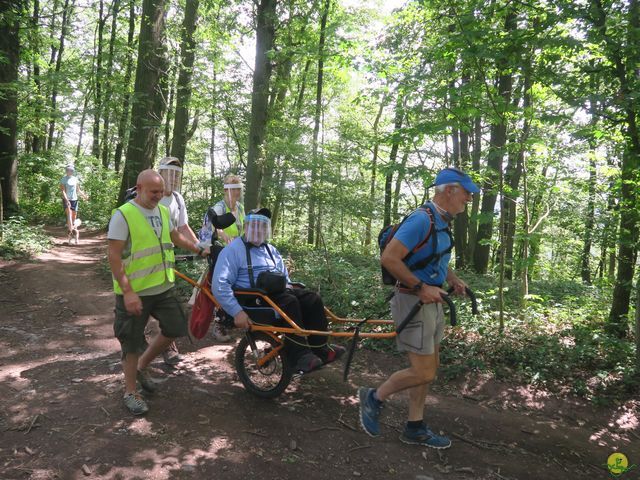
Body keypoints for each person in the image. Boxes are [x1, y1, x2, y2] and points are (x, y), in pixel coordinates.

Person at [358, 167, 480, 449]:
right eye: (466, 192)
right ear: (449, 190)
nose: (469, 198)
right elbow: (389, 258)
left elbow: (432, 256)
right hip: (414, 300)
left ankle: (415, 426)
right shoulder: (420, 220)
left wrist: (452, 279)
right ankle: (373, 397)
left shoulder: (439, 221)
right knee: (424, 371)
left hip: (431, 301)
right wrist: (420, 287)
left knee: (429, 368)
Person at [108, 169, 210, 415]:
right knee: (131, 343)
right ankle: (131, 391)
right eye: (153, 192)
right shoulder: (124, 214)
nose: (158, 196)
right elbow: (113, 256)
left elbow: (175, 236)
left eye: (161, 192)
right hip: (135, 292)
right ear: (139, 187)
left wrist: (198, 249)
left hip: (163, 287)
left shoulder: (164, 212)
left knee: (176, 328)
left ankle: (143, 366)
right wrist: (128, 292)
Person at [211, 208, 345, 373]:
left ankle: (320, 349)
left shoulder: (271, 250)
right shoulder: (232, 251)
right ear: (246, 227)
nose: (258, 229)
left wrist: (290, 288)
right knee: (290, 302)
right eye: (254, 225)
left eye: (262, 226)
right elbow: (219, 285)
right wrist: (236, 311)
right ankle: (299, 356)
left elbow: (285, 279)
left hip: (277, 295)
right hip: (252, 300)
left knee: (312, 299)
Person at [154, 156, 199, 365]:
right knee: (145, 305)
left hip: (168, 259)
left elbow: (182, 227)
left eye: (176, 174)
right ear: (160, 174)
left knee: (167, 302)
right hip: (144, 261)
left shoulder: (178, 199)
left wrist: (199, 246)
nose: (173, 178)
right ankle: (136, 347)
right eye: (169, 173)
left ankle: (168, 347)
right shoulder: (150, 197)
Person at [199, 174, 246, 341]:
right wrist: (219, 235)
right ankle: (219, 324)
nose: (236, 194)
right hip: (220, 252)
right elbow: (211, 225)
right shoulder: (219, 207)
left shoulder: (240, 208)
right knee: (223, 285)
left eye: (239, 190)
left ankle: (233, 318)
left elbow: (243, 229)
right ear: (226, 191)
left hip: (236, 253)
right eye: (233, 190)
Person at [59, 164, 87, 245]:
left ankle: (73, 232)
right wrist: (66, 199)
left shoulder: (75, 179)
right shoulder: (63, 179)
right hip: (66, 200)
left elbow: (78, 190)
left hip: (75, 200)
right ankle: (71, 232)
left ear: (73, 171)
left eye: (71, 170)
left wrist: (84, 196)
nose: (69, 171)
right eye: (68, 170)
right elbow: (63, 191)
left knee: (74, 218)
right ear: (66, 170)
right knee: (69, 215)